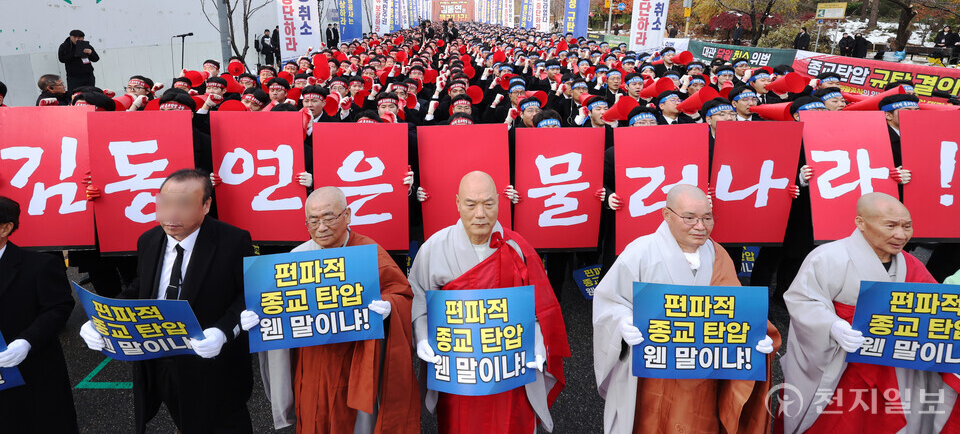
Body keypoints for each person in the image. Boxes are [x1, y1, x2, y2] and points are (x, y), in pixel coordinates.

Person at [78, 169, 254, 433]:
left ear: (206, 206)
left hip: (211, 361)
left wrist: (223, 332)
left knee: (226, 424)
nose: (171, 215)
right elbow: (141, 288)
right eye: (164, 204)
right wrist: (99, 317)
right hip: (159, 357)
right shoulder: (149, 240)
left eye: (183, 205)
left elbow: (248, 293)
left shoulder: (233, 241)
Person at [592, 185, 778, 434]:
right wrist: (623, 323)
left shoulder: (718, 255)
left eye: (707, 218)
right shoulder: (640, 252)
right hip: (651, 376)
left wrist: (756, 336)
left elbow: (735, 310)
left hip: (703, 374)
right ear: (666, 214)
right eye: (689, 218)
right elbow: (610, 301)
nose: (700, 226)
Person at [779, 193, 958, 433]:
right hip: (843, 363)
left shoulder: (910, 264)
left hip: (895, 366)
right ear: (860, 223)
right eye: (890, 225)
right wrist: (833, 326)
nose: (901, 235)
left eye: (907, 226)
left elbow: (935, 307)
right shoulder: (828, 257)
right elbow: (803, 300)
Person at [409, 171, 570, 433]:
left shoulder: (518, 247)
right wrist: (423, 336)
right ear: (458, 203)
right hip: (460, 371)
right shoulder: (435, 248)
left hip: (509, 371)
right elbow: (418, 297)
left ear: (499, 201)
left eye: (488, 204)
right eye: (471, 204)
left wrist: (539, 344)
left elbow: (541, 307)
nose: (480, 214)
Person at [251, 187, 419, 432]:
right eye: (313, 220)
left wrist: (389, 306)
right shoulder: (296, 257)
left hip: (353, 359)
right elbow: (276, 305)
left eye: (329, 218)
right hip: (310, 360)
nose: (321, 227)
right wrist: (259, 315)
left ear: (347, 215)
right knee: (311, 417)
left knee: (354, 421)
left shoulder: (369, 252)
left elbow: (402, 293)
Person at [0, 196, 79, 432]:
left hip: (30, 368)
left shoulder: (39, 265)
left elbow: (59, 307)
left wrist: (26, 341)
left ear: (5, 228)